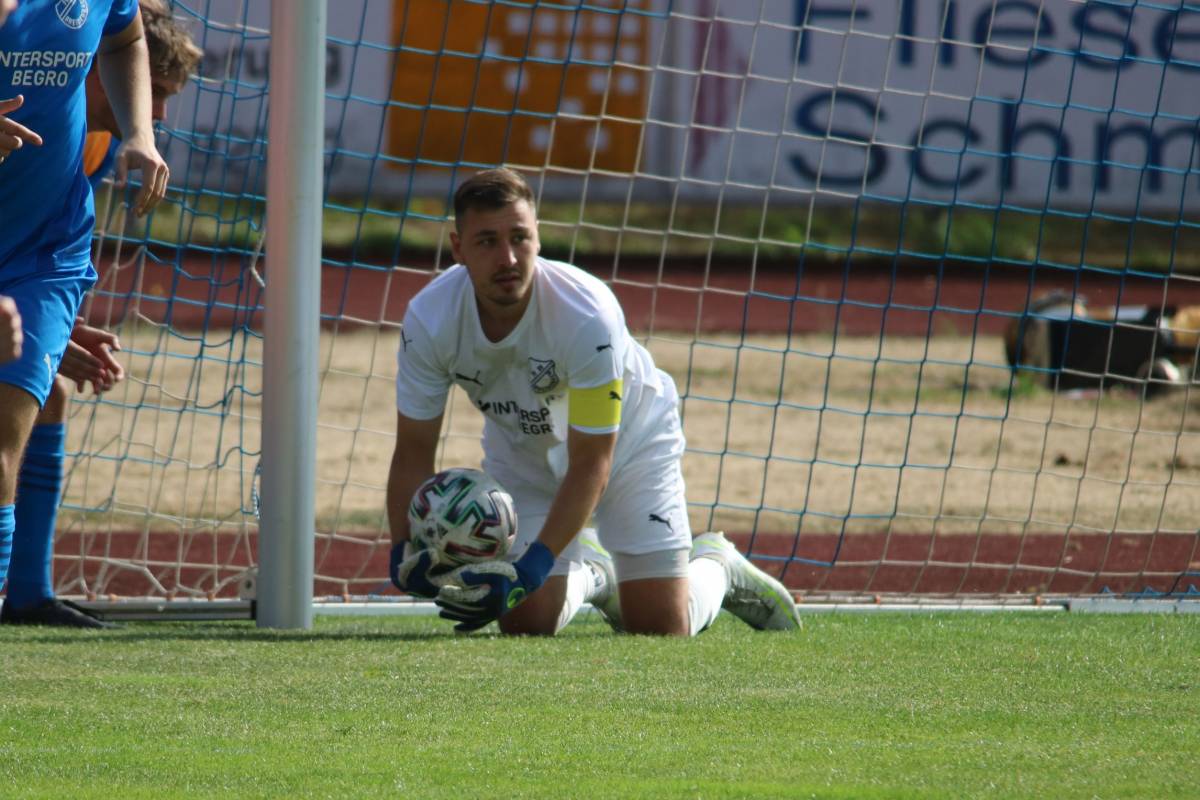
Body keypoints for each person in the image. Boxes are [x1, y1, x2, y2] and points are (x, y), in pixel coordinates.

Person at [387, 168, 802, 636]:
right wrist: (402, 551)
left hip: (629, 445)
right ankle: (597, 576)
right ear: (458, 248)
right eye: (487, 242)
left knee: (661, 627)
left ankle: (718, 566)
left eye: (520, 237)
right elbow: (413, 451)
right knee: (525, 624)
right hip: (522, 455)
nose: (508, 257)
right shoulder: (430, 319)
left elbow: (592, 462)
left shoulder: (585, 314)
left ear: (538, 237)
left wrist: (534, 567)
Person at [2, 0, 200, 628]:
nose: (163, 110)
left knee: (12, 422)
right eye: (159, 97)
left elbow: (125, 37)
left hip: (42, 255)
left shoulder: (90, 146)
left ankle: (26, 590)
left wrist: (141, 134)